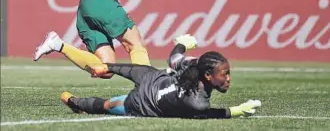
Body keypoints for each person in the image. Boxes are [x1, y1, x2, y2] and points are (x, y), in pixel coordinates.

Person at [60, 35, 262, 119]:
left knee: (109, 102)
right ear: (208, 75)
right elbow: (206, 113)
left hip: (151, 79)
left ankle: (74, 101)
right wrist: (235, 111)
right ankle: (77, 100)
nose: (228, 79)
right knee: (109, 106)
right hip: (143, 100)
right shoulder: (197, 102)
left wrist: (182, 43)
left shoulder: (194, 65)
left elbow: (174, 58)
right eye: (225, 74)